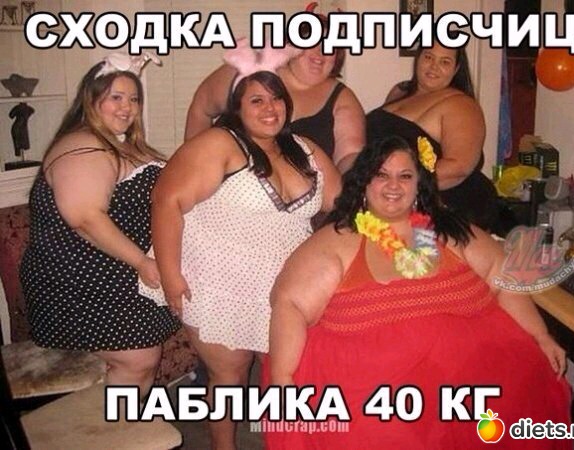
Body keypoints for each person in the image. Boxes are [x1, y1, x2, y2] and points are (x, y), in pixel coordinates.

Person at [266, 136, 571, 449]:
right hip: (375, 399)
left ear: (418, 185)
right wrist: (283, 379)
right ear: (364, 183)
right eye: (381, 175)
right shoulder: (337, 240)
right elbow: (290, 304)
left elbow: (503, 277)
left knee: (530, 382)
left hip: (467, 384)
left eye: (405, 176)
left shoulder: (447, 231)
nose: (393, 185)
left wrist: (540, 335)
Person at [151, 68, 341, 449]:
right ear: (237, 108)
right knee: (230, 375)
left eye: (276, 99)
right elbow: (166, 200)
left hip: (282, 286)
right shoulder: (219, 143)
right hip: (218, 281)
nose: (270, 108)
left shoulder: (304, 149)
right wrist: (170, 277)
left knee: (285, 367)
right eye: (257, 100)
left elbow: (342, 203)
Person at [19, 53, 179, 395]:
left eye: (133, 99)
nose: (127, 107)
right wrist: (143, 263)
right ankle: (120, 424)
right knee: (138, 358)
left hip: (116, 274)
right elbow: (84, 217)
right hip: (78, 280)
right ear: (91, 99)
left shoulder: (122, 145)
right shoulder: (82, 144)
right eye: (116, 97)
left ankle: (125, 419)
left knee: (146, 354)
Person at [184, 15, 365, 173]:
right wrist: (193, 169)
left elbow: (349, 156)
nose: (321, 53)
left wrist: (355, 177)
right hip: (225, 189)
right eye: (312, 42)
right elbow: (201, 109)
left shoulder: (342, 98)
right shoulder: (249, 69)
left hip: (300, 198)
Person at [368, 36, 500, 232]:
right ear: (418, 58)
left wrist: (400, 184)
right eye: (429, 57)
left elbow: (458, 167)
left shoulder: (462, 105)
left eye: (445, 62)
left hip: (442, 209)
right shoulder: (400, 91)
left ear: (456, 68)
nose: (434, 67)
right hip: (388, 202)